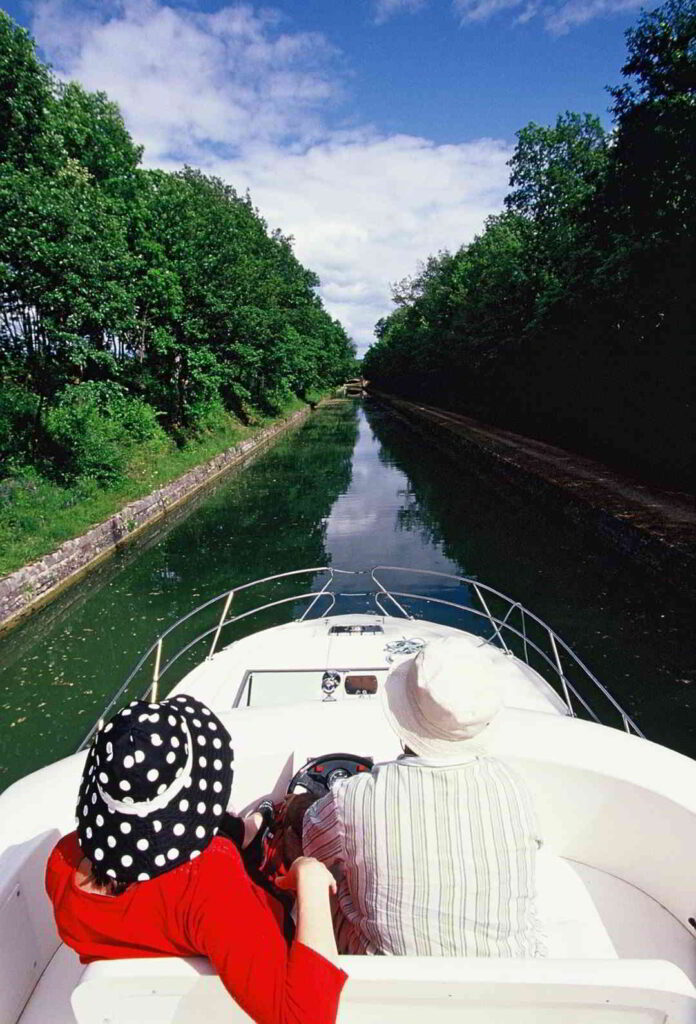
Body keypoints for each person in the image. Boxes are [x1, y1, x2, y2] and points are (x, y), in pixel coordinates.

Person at [45, 694, 346, 1024]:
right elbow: (307, 1019)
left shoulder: (61, 862)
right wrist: (311, 879)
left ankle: (250, 828)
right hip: (253, 955)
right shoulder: (207, 880)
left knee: (232, 833)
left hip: (151, 1002)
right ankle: (257, 829)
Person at [303, 635, 545, 957]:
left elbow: (313, 845)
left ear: (403, 717)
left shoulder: (355, 797)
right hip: (513, 973)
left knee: (311, 865)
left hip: (391, 978)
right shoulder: (511, 784)